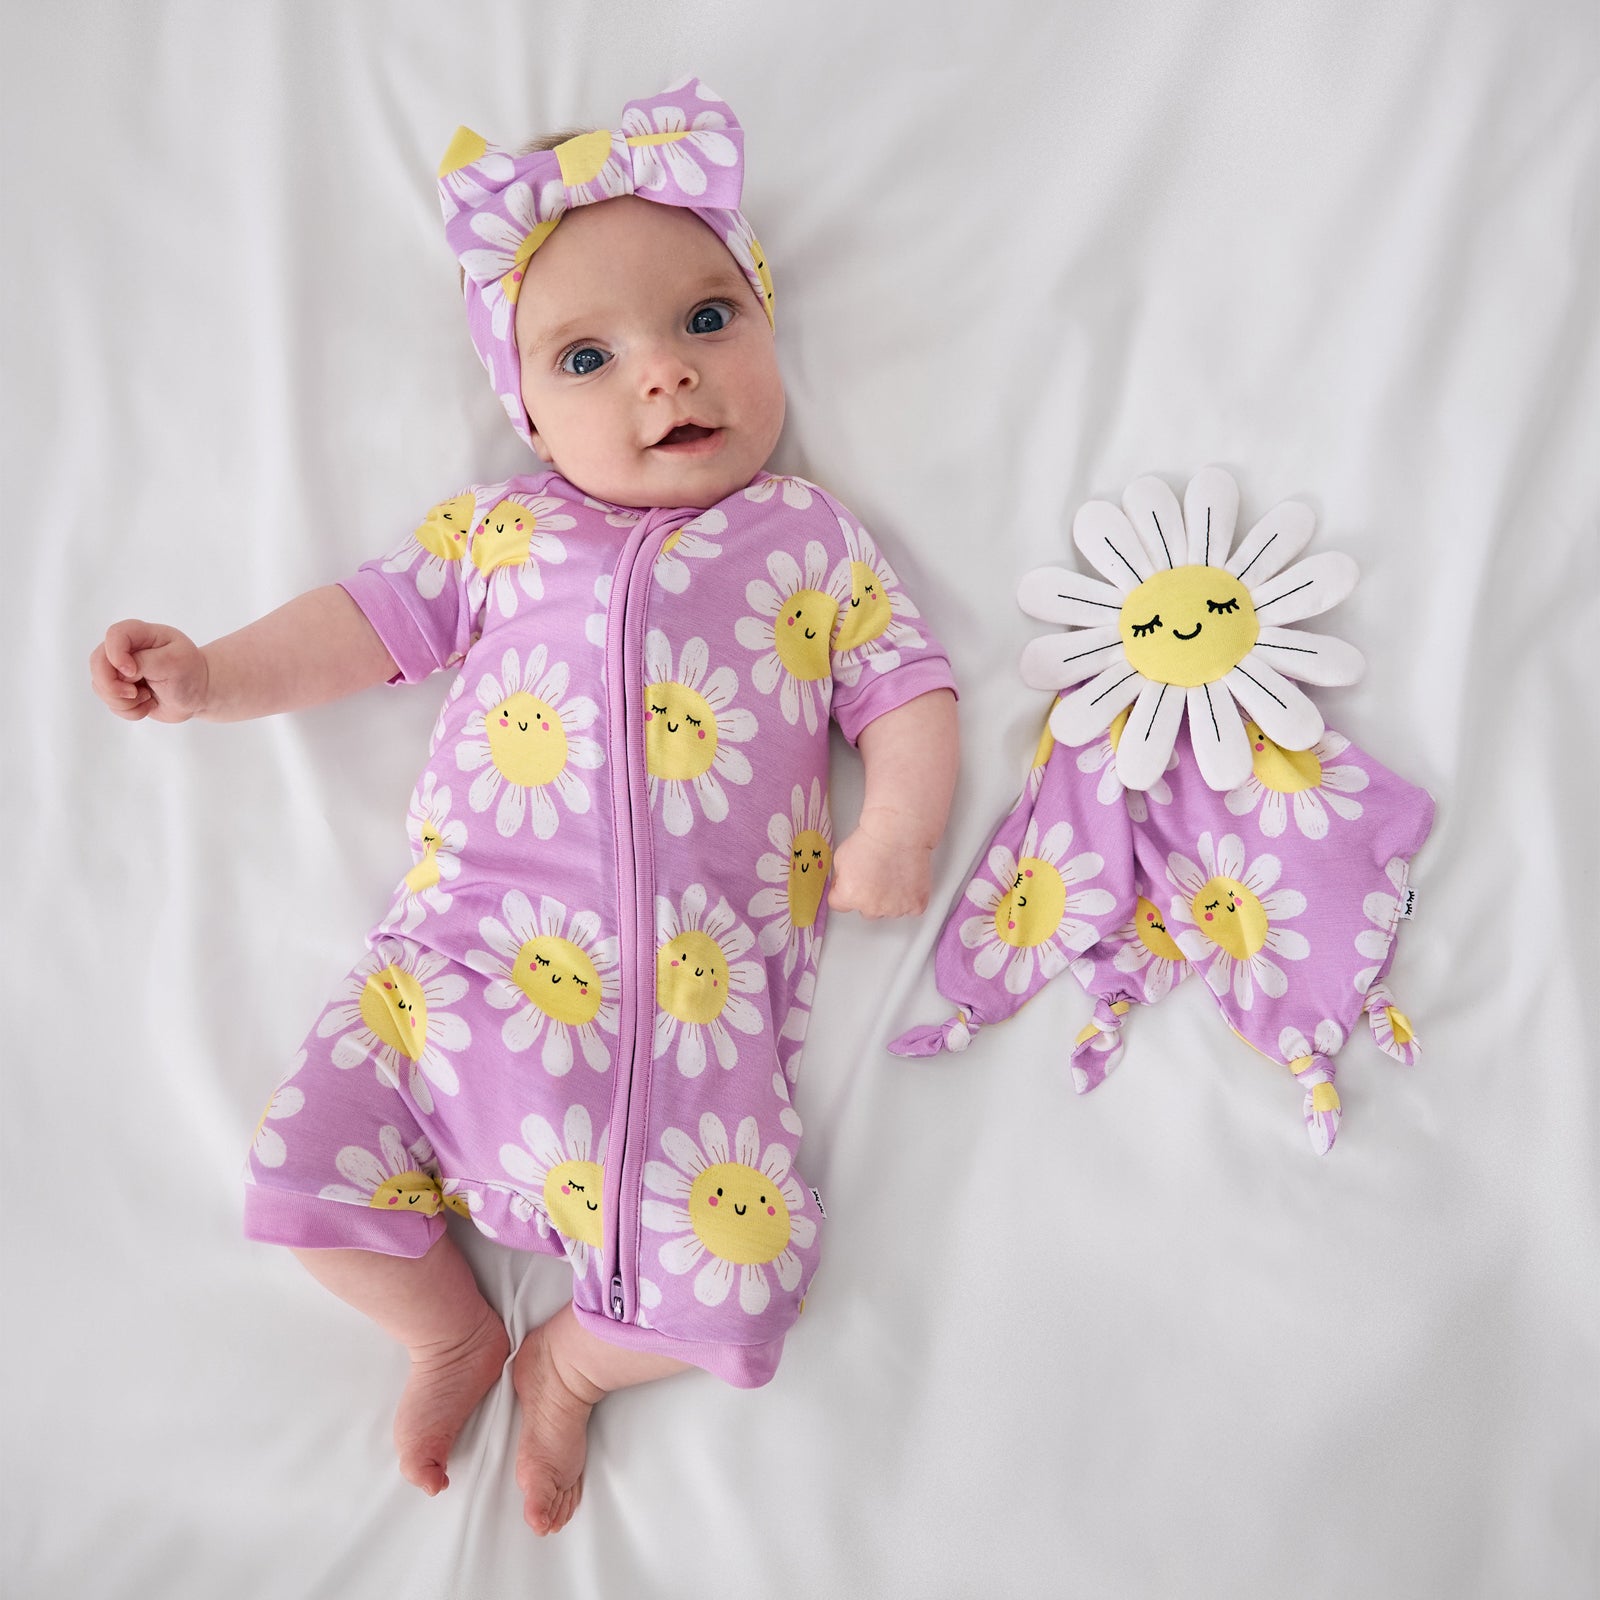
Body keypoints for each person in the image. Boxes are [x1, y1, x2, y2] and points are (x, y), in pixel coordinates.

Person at [88, 78, 959, 1536]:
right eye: (589, 356)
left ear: (764, 326)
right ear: (530, 414)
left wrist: (899, 830)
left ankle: (571, 1363)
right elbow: (362, 626)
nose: (665, 376)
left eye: (707, 321)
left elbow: (908, 688)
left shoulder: (807, 539)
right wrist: (213, 676)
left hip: (688, 1024)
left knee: (741, 1301)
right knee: (301, 1183)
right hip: (455, 974)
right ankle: (450, 1331)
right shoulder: (504, 531)